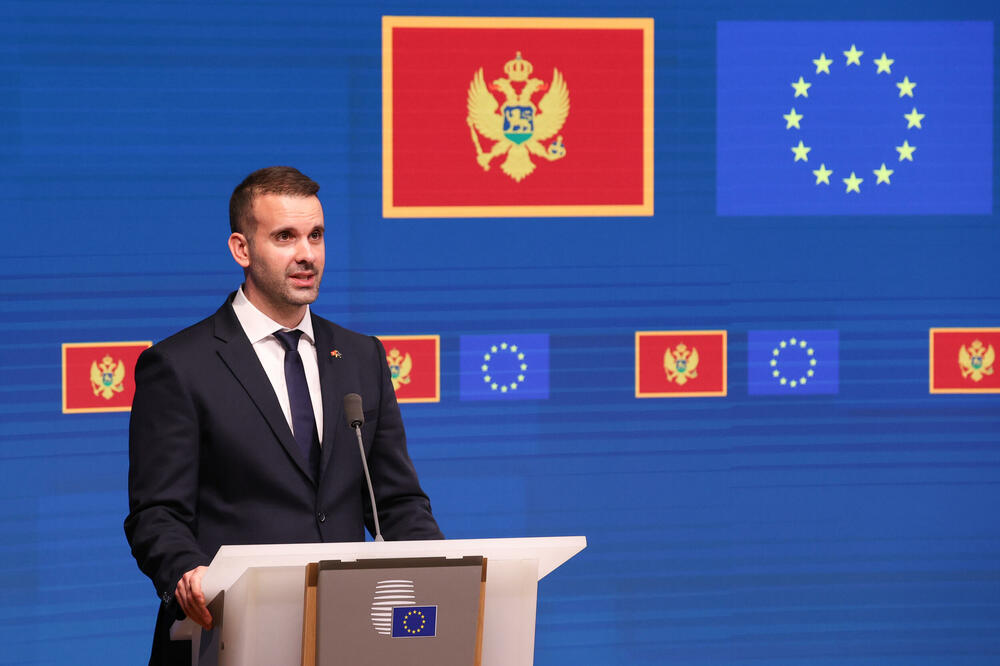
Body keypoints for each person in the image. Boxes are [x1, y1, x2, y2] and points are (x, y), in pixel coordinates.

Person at [124, 166, 442, 665]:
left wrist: (447, 575)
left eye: (316, 235)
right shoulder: (180, 365)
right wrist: (187, 573)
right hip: (224, 634)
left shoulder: (362, 357)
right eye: (285, 237)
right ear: (241, 249)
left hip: (344, 634)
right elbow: (157, 514)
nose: (306, 254)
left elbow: (396, 502)